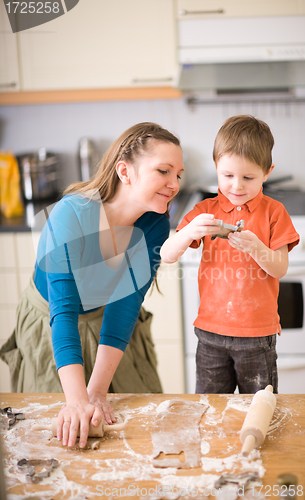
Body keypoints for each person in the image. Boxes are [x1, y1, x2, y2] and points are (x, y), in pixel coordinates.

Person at [0, 122, 184, 448]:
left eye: (179, 175)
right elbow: (64, 311)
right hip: (52, 322)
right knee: (55, 436)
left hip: (111, 329)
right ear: (125, 172)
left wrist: (97, 391)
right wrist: (76, 399)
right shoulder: (70, 215)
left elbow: (124, 305)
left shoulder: (156, 223)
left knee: (130, 433)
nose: (174, 184)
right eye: (163, 171)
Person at [161, 115, 299, 395]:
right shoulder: (204, 210)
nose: (237, 186)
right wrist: (188, 232)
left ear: (267, 172)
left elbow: (280, 268)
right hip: (211, 333)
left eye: (248, 177)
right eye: (227, 176)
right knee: (210, 410)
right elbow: (167, 254)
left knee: (259, 407)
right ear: (216, 168)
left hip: (257, 336)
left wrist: (256, 248)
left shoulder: (275, 213)